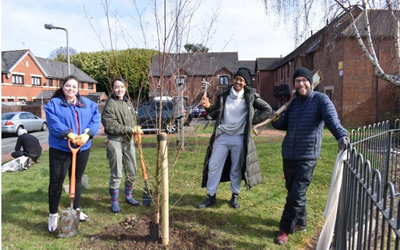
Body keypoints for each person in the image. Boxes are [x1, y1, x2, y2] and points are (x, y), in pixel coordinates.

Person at [271, 67, 350, 245]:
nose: (301, 84)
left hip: (307, 156)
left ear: (310, 82)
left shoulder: (321, 100)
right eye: (297, 81)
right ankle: (301, 222)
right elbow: (285, 124)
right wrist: (275, 119)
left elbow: (332, 120)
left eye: (303, 80)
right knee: (294, 192)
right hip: (289, 154)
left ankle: (285, 229)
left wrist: (342, 135)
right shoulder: (293, 103)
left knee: (296, 194)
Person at [197, 67, 275, 209]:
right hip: (222, 136)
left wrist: (251, 122)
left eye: (241, 80)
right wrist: (208, 106)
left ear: (245, 83)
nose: (238, 82)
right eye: (237, 78)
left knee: (236, 168)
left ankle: (234, 196)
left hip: (239, 137)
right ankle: (211, 196)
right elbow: (216, 114)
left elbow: (267, 110)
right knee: (214, 165)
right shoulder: (223, 94)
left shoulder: (250, 96)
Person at [45, 75, 100, 233]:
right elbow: (53, 121)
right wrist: (68, 134)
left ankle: (76, 209)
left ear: (78, 89)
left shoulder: (88, 104)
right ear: (63, 87)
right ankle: (53, 214)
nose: (71, 89)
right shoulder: (54, 104)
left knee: (76, 179)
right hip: (60, 148)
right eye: (68, 86)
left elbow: (96, 118)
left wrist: (87, 135)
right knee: (56, 181)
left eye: (74, 87)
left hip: (82, 147)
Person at [101, 77, 143, 213]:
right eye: (117, 87)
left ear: (125, 88)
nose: (120, 89)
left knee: (132, 171)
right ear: (113, 89)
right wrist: (130, 129)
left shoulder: (127, 102)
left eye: (122, 87)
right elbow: (110, 125)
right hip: (115, 141)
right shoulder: (110, 104)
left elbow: (131, 120)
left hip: (128, 140)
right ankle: (114, 202)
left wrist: (135, 127)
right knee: (117, 173)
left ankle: (128, 196)